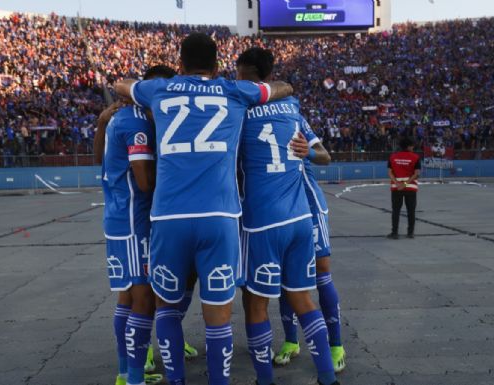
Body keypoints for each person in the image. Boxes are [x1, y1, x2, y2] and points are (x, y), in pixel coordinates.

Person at [114, 33, 293, 385]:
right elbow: (279, 88)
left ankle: (176, 380)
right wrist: (277, 88)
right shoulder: (234, 90)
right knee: (219, 315)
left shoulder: (160, 89)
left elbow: (122, 85)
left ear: (179, 64)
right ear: (216, 65)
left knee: (166, 307)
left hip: (168, 217)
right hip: (221, 216)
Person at [237, 47, 339, 385]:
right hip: (298, 219)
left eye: (240, 74)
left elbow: (322, 155)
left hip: (262, 220)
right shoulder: (292, 109)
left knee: (256, 304)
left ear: (250, 75)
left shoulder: (238, 111)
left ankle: (264, 380)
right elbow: (321, 152)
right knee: (302, 298)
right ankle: (327, 377)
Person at [95, 65, 175, 385]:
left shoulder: (121, 117)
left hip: (120, 218)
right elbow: (144, 182)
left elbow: (99, 158)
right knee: (142, 300)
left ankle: (127, 372)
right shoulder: (138, 122)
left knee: (128, 299)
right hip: (133, 221)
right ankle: (133, 378)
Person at [274, 96, 346, 373]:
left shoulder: (295, 120)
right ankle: (291, 341)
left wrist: (310, 153)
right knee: (283, 278)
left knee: (321, 273)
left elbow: (326, 157)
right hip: (278, 208)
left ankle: (336, 345)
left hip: (309, 205)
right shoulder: (249, 117)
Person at [387, 137, 421, 239]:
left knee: (396, 211)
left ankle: (394, 233)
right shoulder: (415, 157)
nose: (413, 148)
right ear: (409, 146)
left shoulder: (392, 157)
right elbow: (417, 174)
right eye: (412, 146)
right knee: (411, 211)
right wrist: (405, 184)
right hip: (410, 188)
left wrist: (397, 183)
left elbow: (389, 172)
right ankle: (410, 233)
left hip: (396, 188)